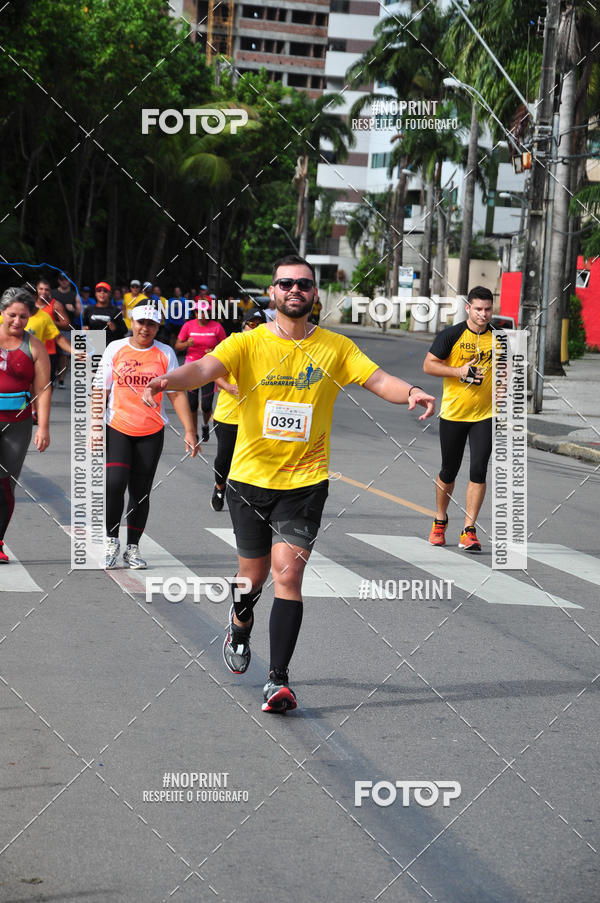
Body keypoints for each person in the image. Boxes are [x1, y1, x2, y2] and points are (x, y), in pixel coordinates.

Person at [143, 255, 435, 713]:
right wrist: (166, 379)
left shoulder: (335, 347)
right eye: (285, 283)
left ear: (314, 294)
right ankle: (240, 621)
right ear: (274, 292)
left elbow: (377, 379)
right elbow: (201, 370)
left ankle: (277, 680)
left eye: (303, 284)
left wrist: (411, 392)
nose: (294, 290)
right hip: (249, 479)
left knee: (289, 575)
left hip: (305, 481)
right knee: (251, 576)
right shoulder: (247, 343)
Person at [98, 303, 197, 570]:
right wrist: (94, 428)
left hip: (151, 431)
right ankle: (111, 541)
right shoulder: (115, 348)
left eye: (151, 324)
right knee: (114, 484)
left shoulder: (165, 353)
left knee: (140, 492)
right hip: (118, 426)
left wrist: (189, 430)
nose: (145, 328)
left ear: (157, 327)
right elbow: (100, 389)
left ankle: (132, 547)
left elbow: (176, 393)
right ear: (132, 321)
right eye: (141, 322)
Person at [423, 286, 495, 552]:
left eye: (488, 309)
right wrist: (459, 371)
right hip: (454, 413)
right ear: (468, 308)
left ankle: (469, 530)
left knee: (478, 469)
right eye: (478, 309)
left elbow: (508, 369)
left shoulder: (499, 337)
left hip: (485, 415)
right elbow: (428, 365)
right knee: (449, 470)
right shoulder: (451, 335)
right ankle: (440, 520)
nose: (483, 314)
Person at [0, 288, 51, 562]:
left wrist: (43, 427)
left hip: (17, 425)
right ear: (2, 312)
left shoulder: (35, 346)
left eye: (23, 316)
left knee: (5, 483)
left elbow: (43, 390)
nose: (17, 321)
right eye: (12, 315)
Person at [210, 308, 266, 512]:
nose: (255, 328)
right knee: (224, 458)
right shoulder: (232, 345)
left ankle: (245, 497)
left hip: (256, 417)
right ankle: (219, 486)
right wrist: (228, 386)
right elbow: (213, 372)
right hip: (228, 415)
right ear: (243, 325)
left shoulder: (269, 350)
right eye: (251, 323)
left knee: (251, 459)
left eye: (260, 324)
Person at [174, 300, 226, 443]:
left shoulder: (217, 327)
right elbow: (177, 346)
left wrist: (215, 351)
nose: (202, 315)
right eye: (199, 312)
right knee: (192, 404)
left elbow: (227, 347)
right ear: (195, 312)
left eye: (205, 312)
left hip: (209, 368)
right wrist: (186, 344)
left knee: (206, 405)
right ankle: (193, 432)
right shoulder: (188, 326)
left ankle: (204, 425)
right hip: (192, 367)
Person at [35, 279, 70, 386]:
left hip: (50, 349)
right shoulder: (30, 304)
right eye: (41, 289)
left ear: (50, 291)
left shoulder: (55, 305)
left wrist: (50, 322)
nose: (43, 292)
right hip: (31, 347)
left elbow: (67, 324)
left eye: (46, 290)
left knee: (47, 382)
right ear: (36, 290)